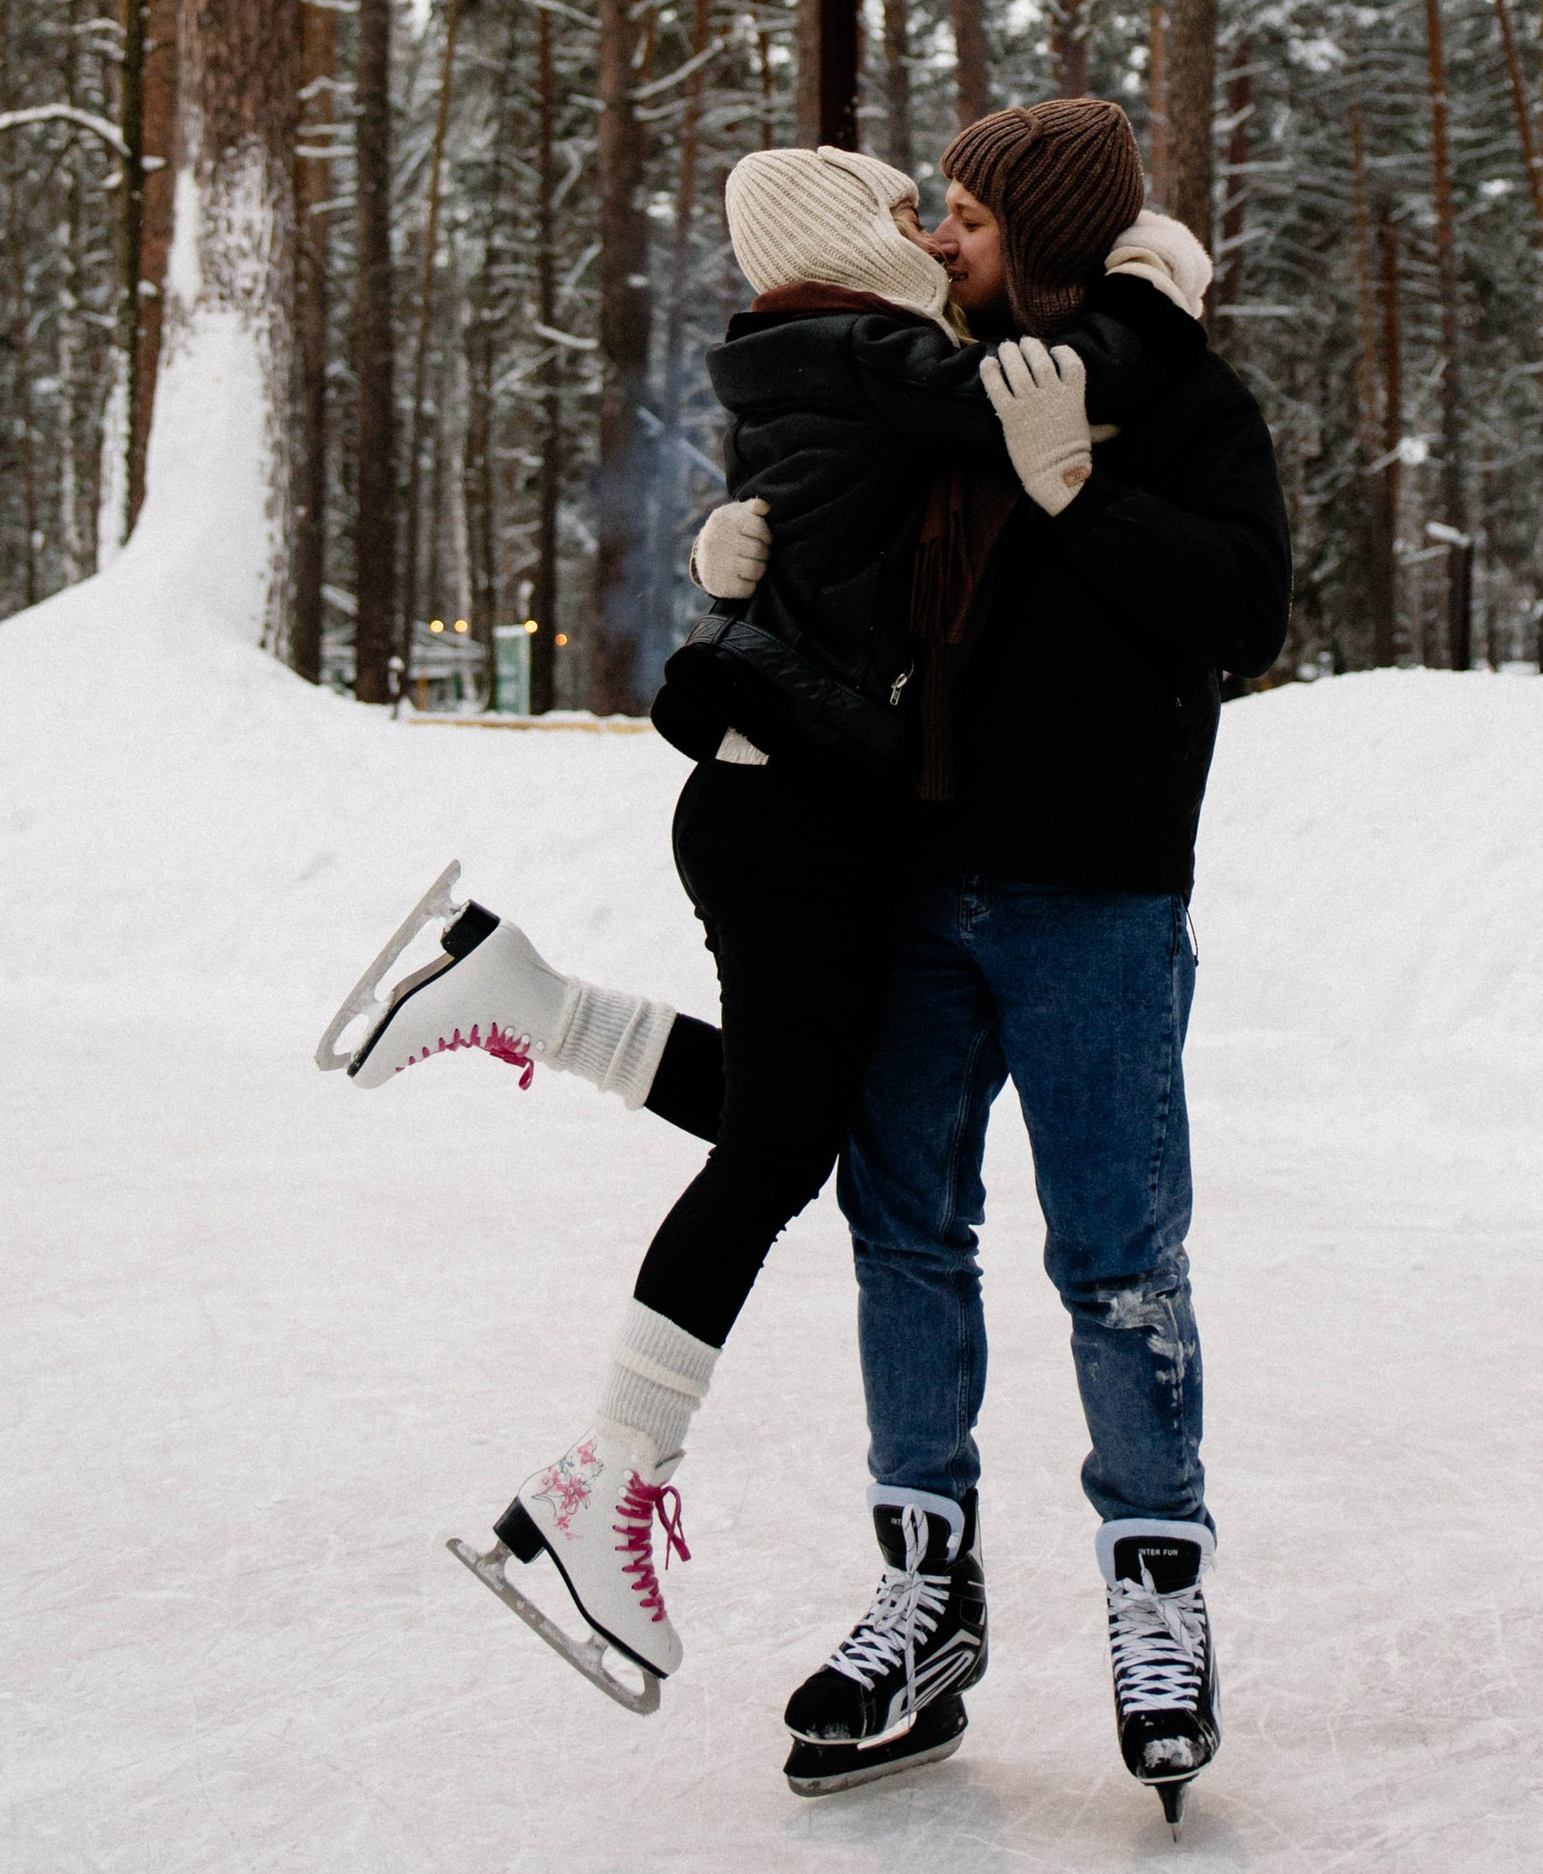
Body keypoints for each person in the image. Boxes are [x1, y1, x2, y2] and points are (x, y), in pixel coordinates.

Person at [317, 138, 1206, 1714]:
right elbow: (1033, 394)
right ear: (853, 246)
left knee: (818, 1122)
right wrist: (1151, 291)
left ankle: (530, 1004)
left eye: (959, 216)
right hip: (791, 811)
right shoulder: (867, 351)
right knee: (789, 1148)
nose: (937, 237)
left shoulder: (833, 361)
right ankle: (612, 1469)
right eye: (909, 215)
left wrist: (737, 584)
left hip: (783, 800)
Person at [774, 97, 1291, 1825]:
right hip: (920, 886)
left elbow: (1246, 612)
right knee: (902, 1226)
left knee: (1117, 1254)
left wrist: (1082, 495)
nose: (943, 236)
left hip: (1099, 896)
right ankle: (925, 1590)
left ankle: (1159, 1593)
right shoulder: (946, 380)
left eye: (974, 215)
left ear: (1049, 240)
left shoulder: (1186, 406)